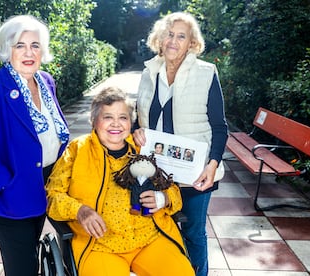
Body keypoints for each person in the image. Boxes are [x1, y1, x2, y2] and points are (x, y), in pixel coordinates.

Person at [0, 15, 69, 276]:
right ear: (6, 49)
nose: (28, 52)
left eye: (35, 45)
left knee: (30, 254)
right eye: (20, 45)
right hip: (8, 195)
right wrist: (5, 183)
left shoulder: (46, 81)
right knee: (22, 268)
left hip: (42, 186)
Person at [46, 87, 194, 276]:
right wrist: (80, 211)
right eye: (108, 117)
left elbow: (174, 190)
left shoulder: (143, 148)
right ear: (94, 121)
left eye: (123, 117)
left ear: (130, 122)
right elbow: (53, 196)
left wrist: (164, 198)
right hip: (100, 244)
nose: (116, 124)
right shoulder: (77, 150)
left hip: (151, 239)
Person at [132, 12, 228, 276]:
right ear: (160, 40)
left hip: (194, 175)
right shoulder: (149, 72)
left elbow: (220, 127)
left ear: (191, 43)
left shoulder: (207, 73)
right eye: (169, 35)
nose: (173, 41)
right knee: (158, 233)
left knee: (194, 232)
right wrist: (136, 131)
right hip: (156, 173)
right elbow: (138, 120)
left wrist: (213, 164)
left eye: (181, 36)